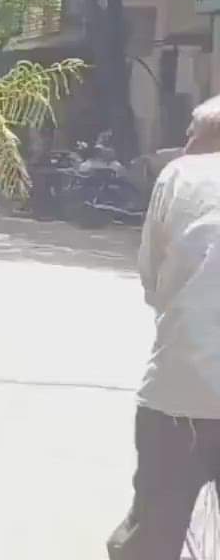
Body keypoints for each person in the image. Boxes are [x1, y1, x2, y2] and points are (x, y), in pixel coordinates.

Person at [107, 117, 220, 559]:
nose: (184, 138)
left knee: (151, 532)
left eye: (190, 129)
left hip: (179, 394)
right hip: (181, 389)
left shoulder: (179, 174)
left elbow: (153, 282)